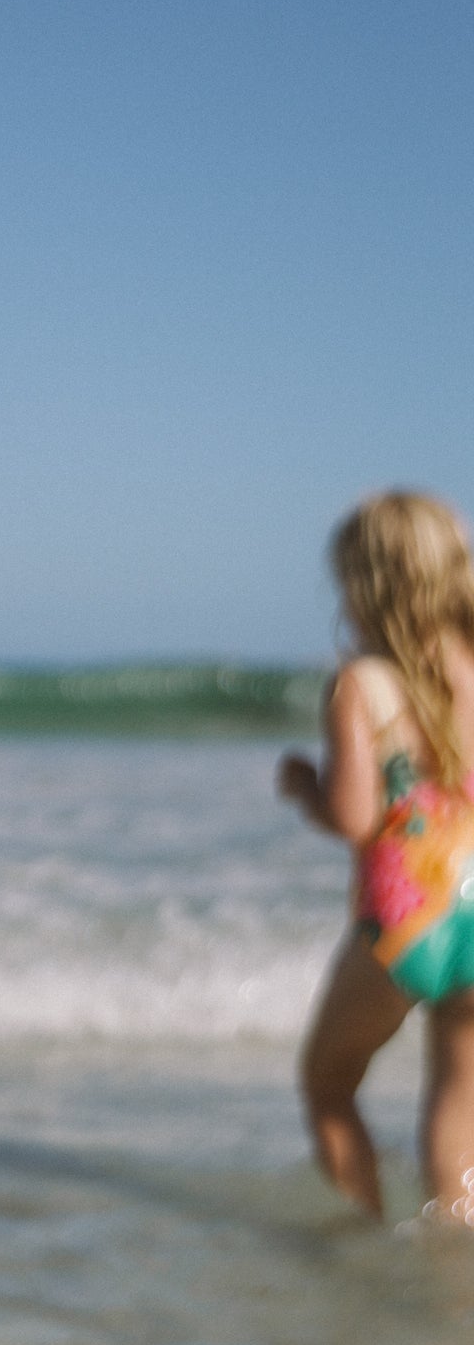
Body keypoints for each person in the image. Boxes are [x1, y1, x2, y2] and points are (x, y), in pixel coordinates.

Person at [279, 488, 474, 1228]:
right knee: (459, 1124)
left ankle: (362, 1252)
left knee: (327, 1086)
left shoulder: (362, 684)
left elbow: (356, 817)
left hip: (406, 926)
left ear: (366, 586)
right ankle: (455, 1285)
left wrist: (306, 788)